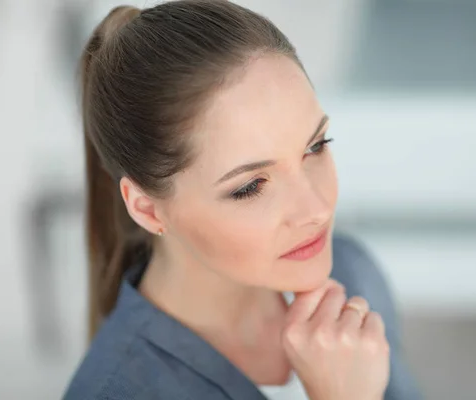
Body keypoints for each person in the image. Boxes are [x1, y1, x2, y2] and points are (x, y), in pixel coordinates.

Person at [63, 1, 419, 399]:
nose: (316, 209)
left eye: (316, 146)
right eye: (250, 187)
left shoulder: (352, 274)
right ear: (147, 208)